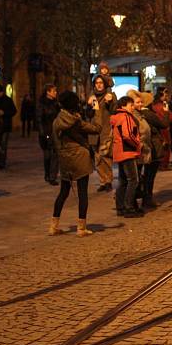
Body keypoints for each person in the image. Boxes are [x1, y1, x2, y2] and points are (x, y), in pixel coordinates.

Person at [50, 90, 101, 237]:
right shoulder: (75, 121)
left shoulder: (57, 121)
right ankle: (81, 228)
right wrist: (96, 111)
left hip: (65, 159)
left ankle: (54, 226)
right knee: (82, 192)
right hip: (80, 158)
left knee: (63, 192)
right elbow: (96, 129)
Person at [111, 95, 142, 218]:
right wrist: (137, 144)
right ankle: (129, 207)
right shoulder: (126, 117)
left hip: (120, 152)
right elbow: (128, 135)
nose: (133, 107)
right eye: (131, 105)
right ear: (124, 106)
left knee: (123, 181)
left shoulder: (116, 117)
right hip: (128, 152)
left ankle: (120, 207)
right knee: (133, 180)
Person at [87, 74, 116, 192]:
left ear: (104, 84)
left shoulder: (110, 95)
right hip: (94, 131)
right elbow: (89, 115)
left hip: (106, 130)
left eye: (101, 82)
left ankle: (108, 180)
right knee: (97, 157)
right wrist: (88, 106)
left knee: (106, 157)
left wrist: (109, 102)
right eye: (97, 83)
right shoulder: (93, 97)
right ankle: (102, 181)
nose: (99, 85)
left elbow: (114, 111)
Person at [37, 84, 61, 186]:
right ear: (48, 92)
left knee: (55, 155)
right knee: (47, 156)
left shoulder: (57, 104)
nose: (55, 93)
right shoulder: (41, 104)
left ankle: (52, 176)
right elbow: (39, 119)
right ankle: (47, 174)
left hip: (55, 132)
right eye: (54, 91)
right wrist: (43, 133)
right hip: (46, 132)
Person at [0, 83, 17, 170]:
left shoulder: (8, 100)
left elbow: (14, 111)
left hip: (5, 126)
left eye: (0, 92)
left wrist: (4, 112)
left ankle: (2, 162)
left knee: (3, 145)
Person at [152, 87, 172, 171]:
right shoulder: (162, 106)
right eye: (165, 94)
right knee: (165, 146)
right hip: (164, 129)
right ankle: (164, 165)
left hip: (159, 129)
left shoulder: (154, 105)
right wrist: (167, 112)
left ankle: (162, 164)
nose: (167, 96)